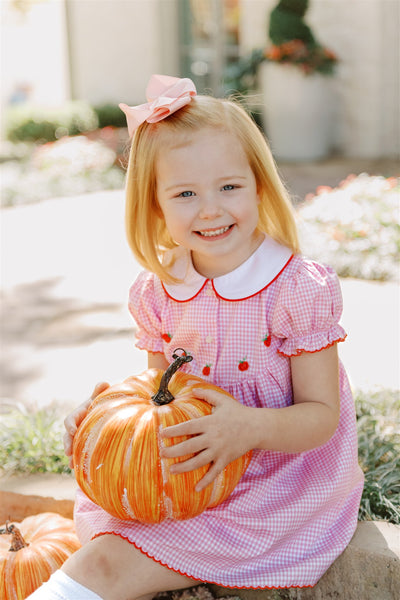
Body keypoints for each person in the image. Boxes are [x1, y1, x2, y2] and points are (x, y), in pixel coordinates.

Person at [28, 74, 363, 600]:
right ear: (155, 205)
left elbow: (322, 418)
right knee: (106, 550)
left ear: (259, 185)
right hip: (194, 471)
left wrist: (247, 428)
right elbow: (161, 390)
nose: (210, 209)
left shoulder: (295, 289)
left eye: (229, 187)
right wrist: (106, 421)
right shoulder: (161, 291)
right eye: (185, 193)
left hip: (276, 484)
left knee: (106, 563)